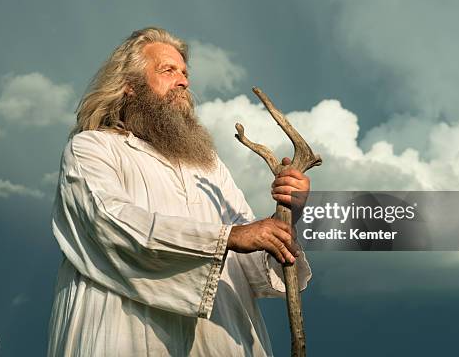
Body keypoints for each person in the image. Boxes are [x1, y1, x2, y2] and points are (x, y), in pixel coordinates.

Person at [46, 27, 312, 356]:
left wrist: (288, 213)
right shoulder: (92, 148)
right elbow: (108, 222)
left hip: (220, 341)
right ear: (129, 85)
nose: (183, 81)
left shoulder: (209, 166)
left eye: (185, 73)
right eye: (168, 70)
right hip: (125, 334)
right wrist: (227, 237)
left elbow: (254, 268)